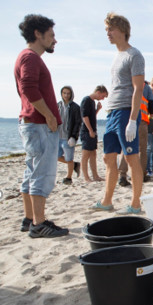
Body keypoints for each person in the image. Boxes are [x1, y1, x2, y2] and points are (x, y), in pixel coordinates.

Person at [14, 14, 68, 238]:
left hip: (31, 123)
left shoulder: (26, 57)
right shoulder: (31, 57)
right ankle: (38, 223)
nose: (54, 40)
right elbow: (28, 87)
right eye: (51, 35)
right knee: (42, 174)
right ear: (38, 34)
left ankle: (29, 219)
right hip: (38, 124)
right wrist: (49, 115)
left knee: (31, 171)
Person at [92, 12, 145, 215]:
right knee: (108, 158)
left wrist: (132, 120)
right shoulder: (116, 56)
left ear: (122, 30)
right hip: (112, 113)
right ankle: (106, 200)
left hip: (125, 113)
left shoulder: (134, 55)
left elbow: (138, 89)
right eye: (106, 29)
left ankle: (135, 203)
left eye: (110, 29)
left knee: (132, 158)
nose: (107, 33)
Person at [118, 80, 153, 184]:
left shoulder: (125, 84)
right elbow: (152, 107)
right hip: (141, 120)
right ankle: (142, 174)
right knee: (142, 149)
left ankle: (122, 175)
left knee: (125, 148)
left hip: (126, 121)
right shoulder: (145, 87)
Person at [80, 85, 108, 182]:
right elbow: (85, 117)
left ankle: (95, 176)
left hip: (92, 130)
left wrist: (97, 110)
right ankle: (86, 177)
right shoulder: (86, 100)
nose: (103, 99)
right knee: (85, 155)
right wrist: (90, 130)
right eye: (103, 96)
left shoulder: (92, 102)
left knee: (93, 154)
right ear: (98, 92)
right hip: (87, 131)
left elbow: (91, 116)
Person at [56, 85, 81, 184]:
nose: (66, 95)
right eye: (64, 93)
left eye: (68, 93)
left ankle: (69, 178)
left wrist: (74, 137)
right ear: (61, 94)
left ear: (71, 94)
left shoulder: (75, 107)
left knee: (68, 158)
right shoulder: (57, 105)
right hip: (57, 137)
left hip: (68, 138)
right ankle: (75, 165)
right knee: (56, 156)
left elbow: (78, 123)